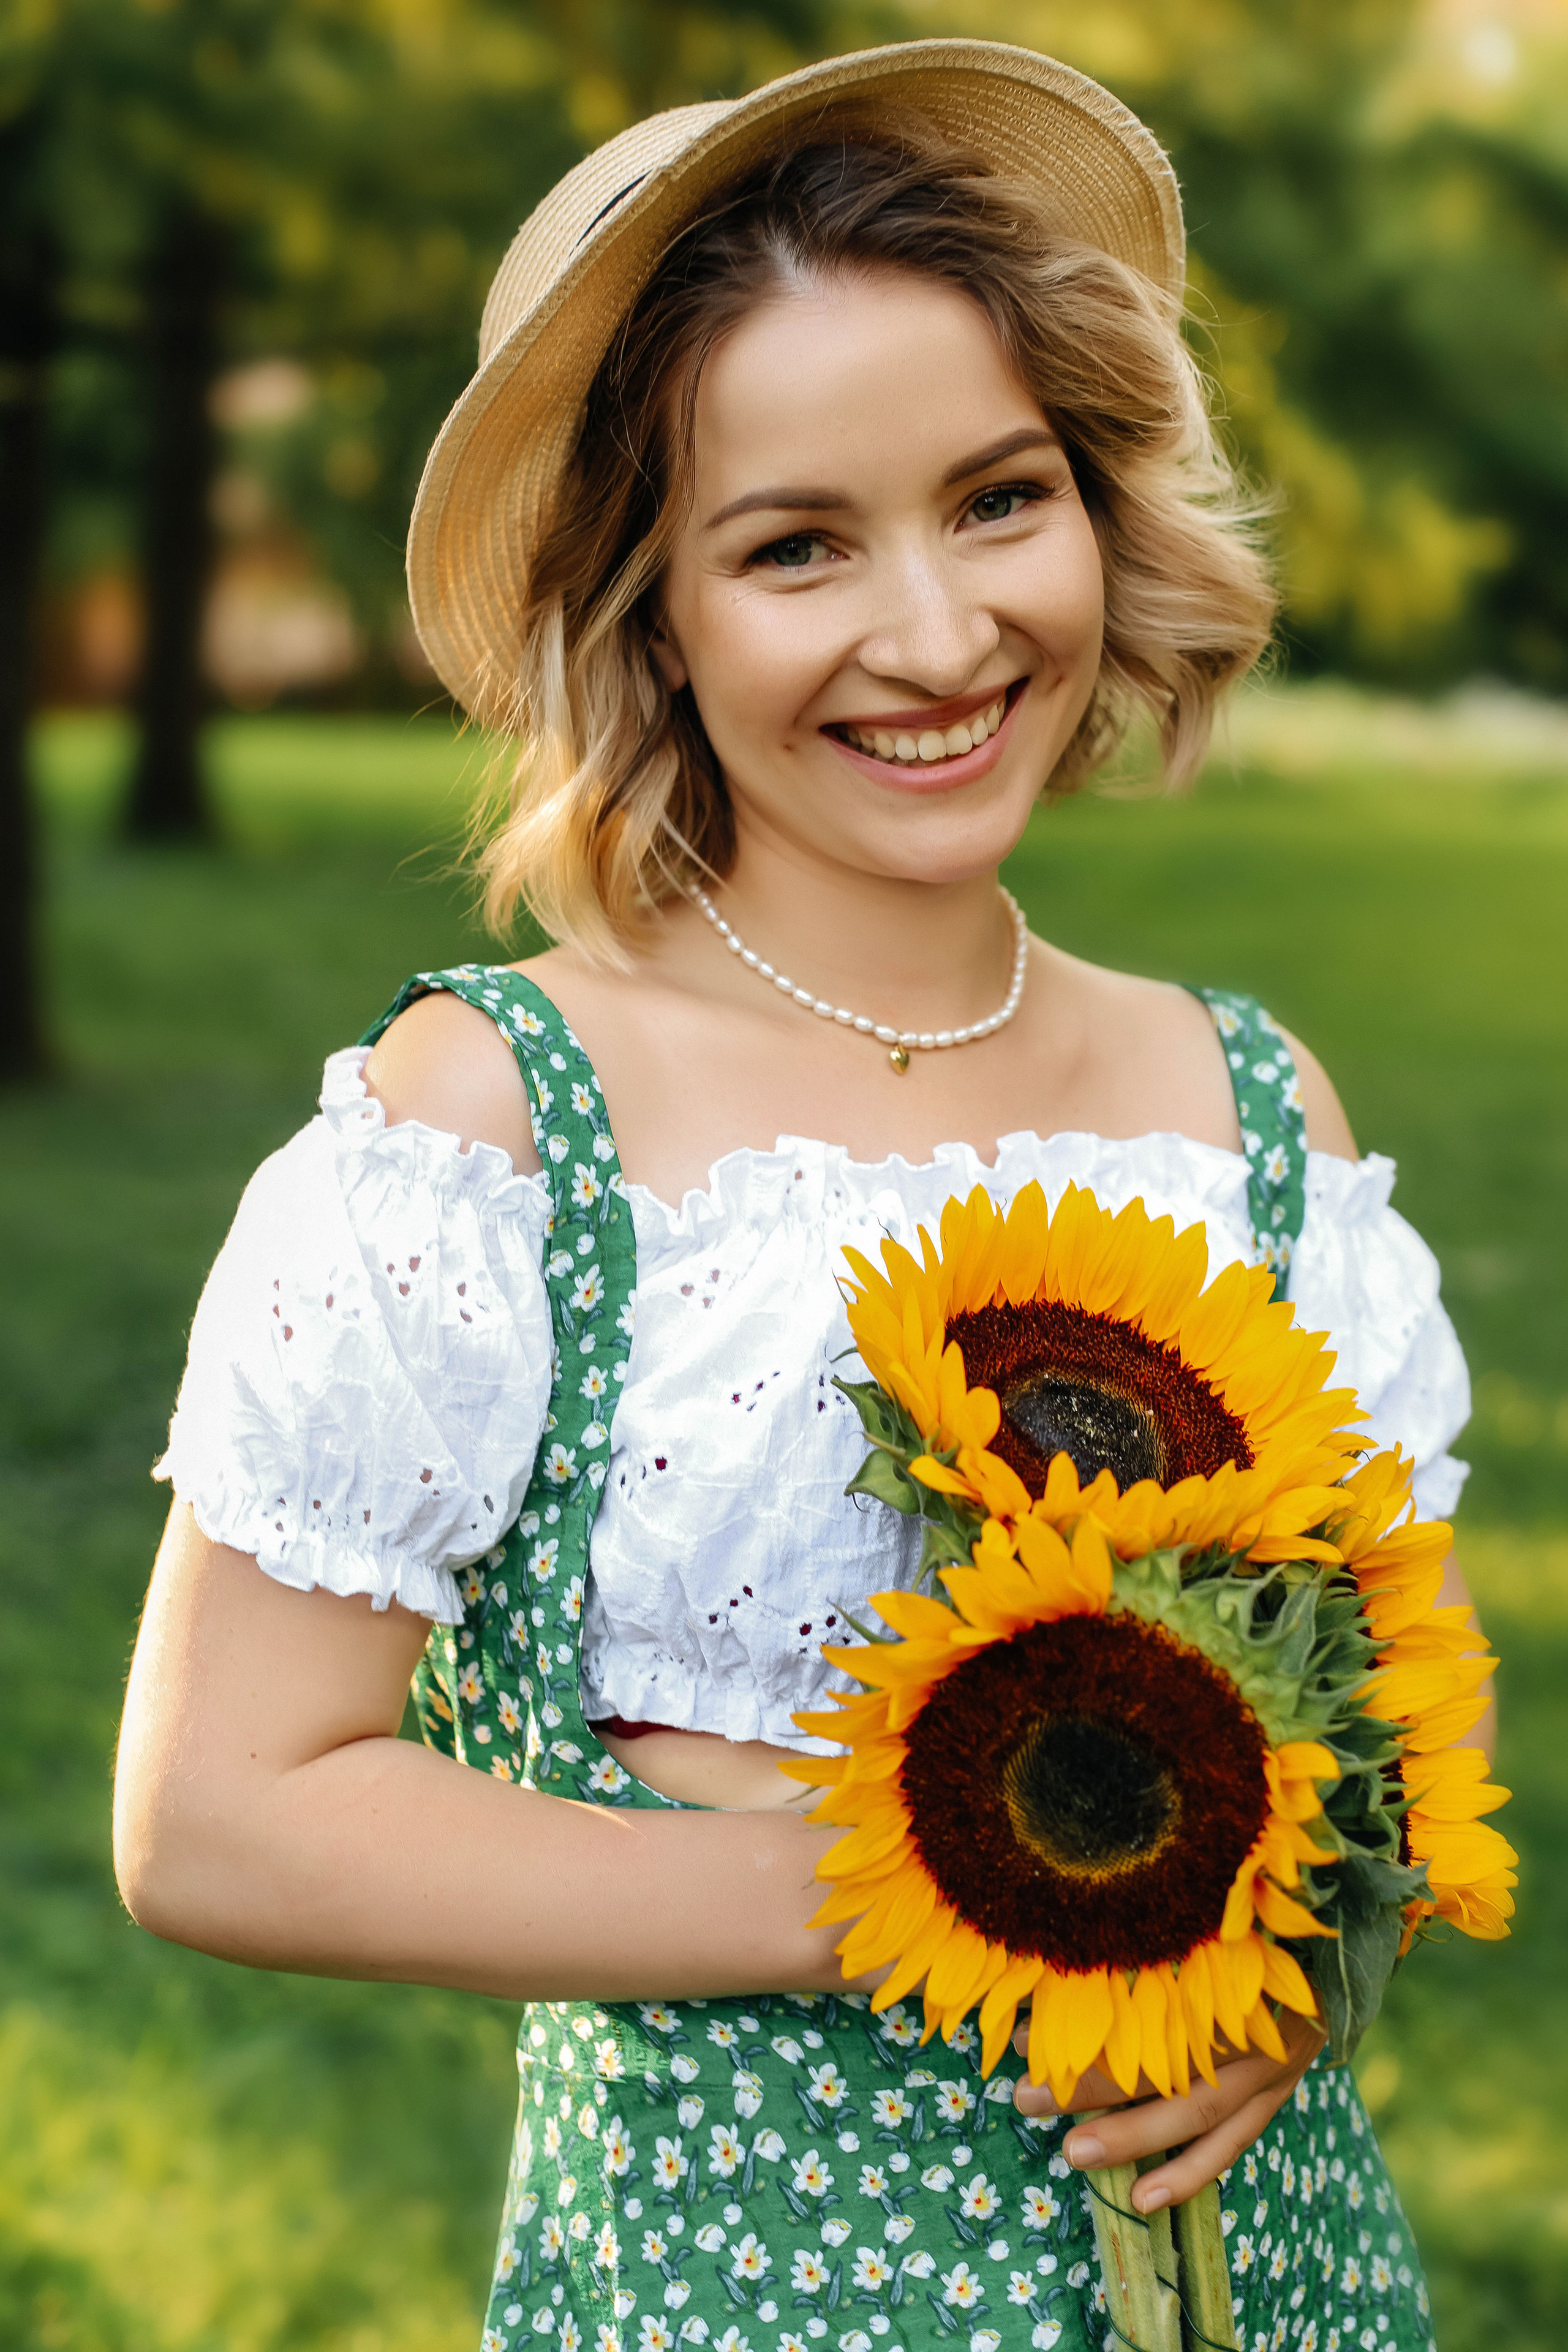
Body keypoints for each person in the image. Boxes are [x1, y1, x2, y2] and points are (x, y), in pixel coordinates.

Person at [113, 41, 1484, 2352]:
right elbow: (223, 1817)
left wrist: (1296, 1961)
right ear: (650, 608)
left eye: (998, 498)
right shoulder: (490, 1128)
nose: (942, 637)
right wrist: (938, 1877)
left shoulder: (1251, 1105)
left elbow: (1373, 1732)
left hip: (1283, 2294)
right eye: (796, 546)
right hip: (728, 2291)